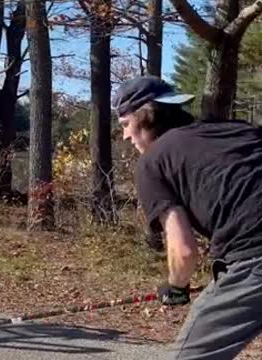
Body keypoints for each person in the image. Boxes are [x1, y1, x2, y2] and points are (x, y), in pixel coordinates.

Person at [112, 75, 262, 359]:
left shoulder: (153, 161)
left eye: (125, 125)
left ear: (147, 117)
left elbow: (184, 252)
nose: (125, 136)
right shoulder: (235, 129)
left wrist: (176, 286)